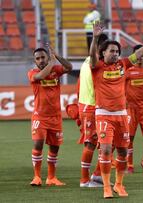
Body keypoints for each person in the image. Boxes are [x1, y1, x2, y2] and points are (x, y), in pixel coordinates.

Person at [90, 21, 143, 198]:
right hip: (104, 115)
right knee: (106, 150)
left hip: (122, 115)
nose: (114, 54)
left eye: (116, 51)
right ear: (103, 53)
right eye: (111, 51)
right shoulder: (97, 67)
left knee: (122, 151)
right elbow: (92, 57)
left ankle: (119, 185)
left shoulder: (123, 65)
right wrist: (95, 38)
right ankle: (106, 186)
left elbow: (140, 52)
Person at [28, 44, 73, 186]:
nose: (40, 60)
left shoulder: (56, 71)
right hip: (40, 116)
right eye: (38, 58)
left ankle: (51, 177)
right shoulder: (32, 73)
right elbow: (41, 76)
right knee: (38, 143)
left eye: (43, 57)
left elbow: (70, 67)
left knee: (54, 147)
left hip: (55, 117)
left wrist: (57, 56)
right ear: (35, 61)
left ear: (47, 58)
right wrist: (52, 62)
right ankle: (36, 177)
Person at [77, 33, 109, 187]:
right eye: (107, 48)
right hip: (92, 107)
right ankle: (88, 179)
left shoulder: (87, 61)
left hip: (88, 106)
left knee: (100, 142)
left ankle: (94, 176)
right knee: (94, 143)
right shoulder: (94, 63)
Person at [125, 44, 143, 174]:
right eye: (138, 55)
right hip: (131, 108)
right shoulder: (128, 70)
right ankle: (129, 164)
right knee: (129, 137)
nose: (140, 58)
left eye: (142, 55)